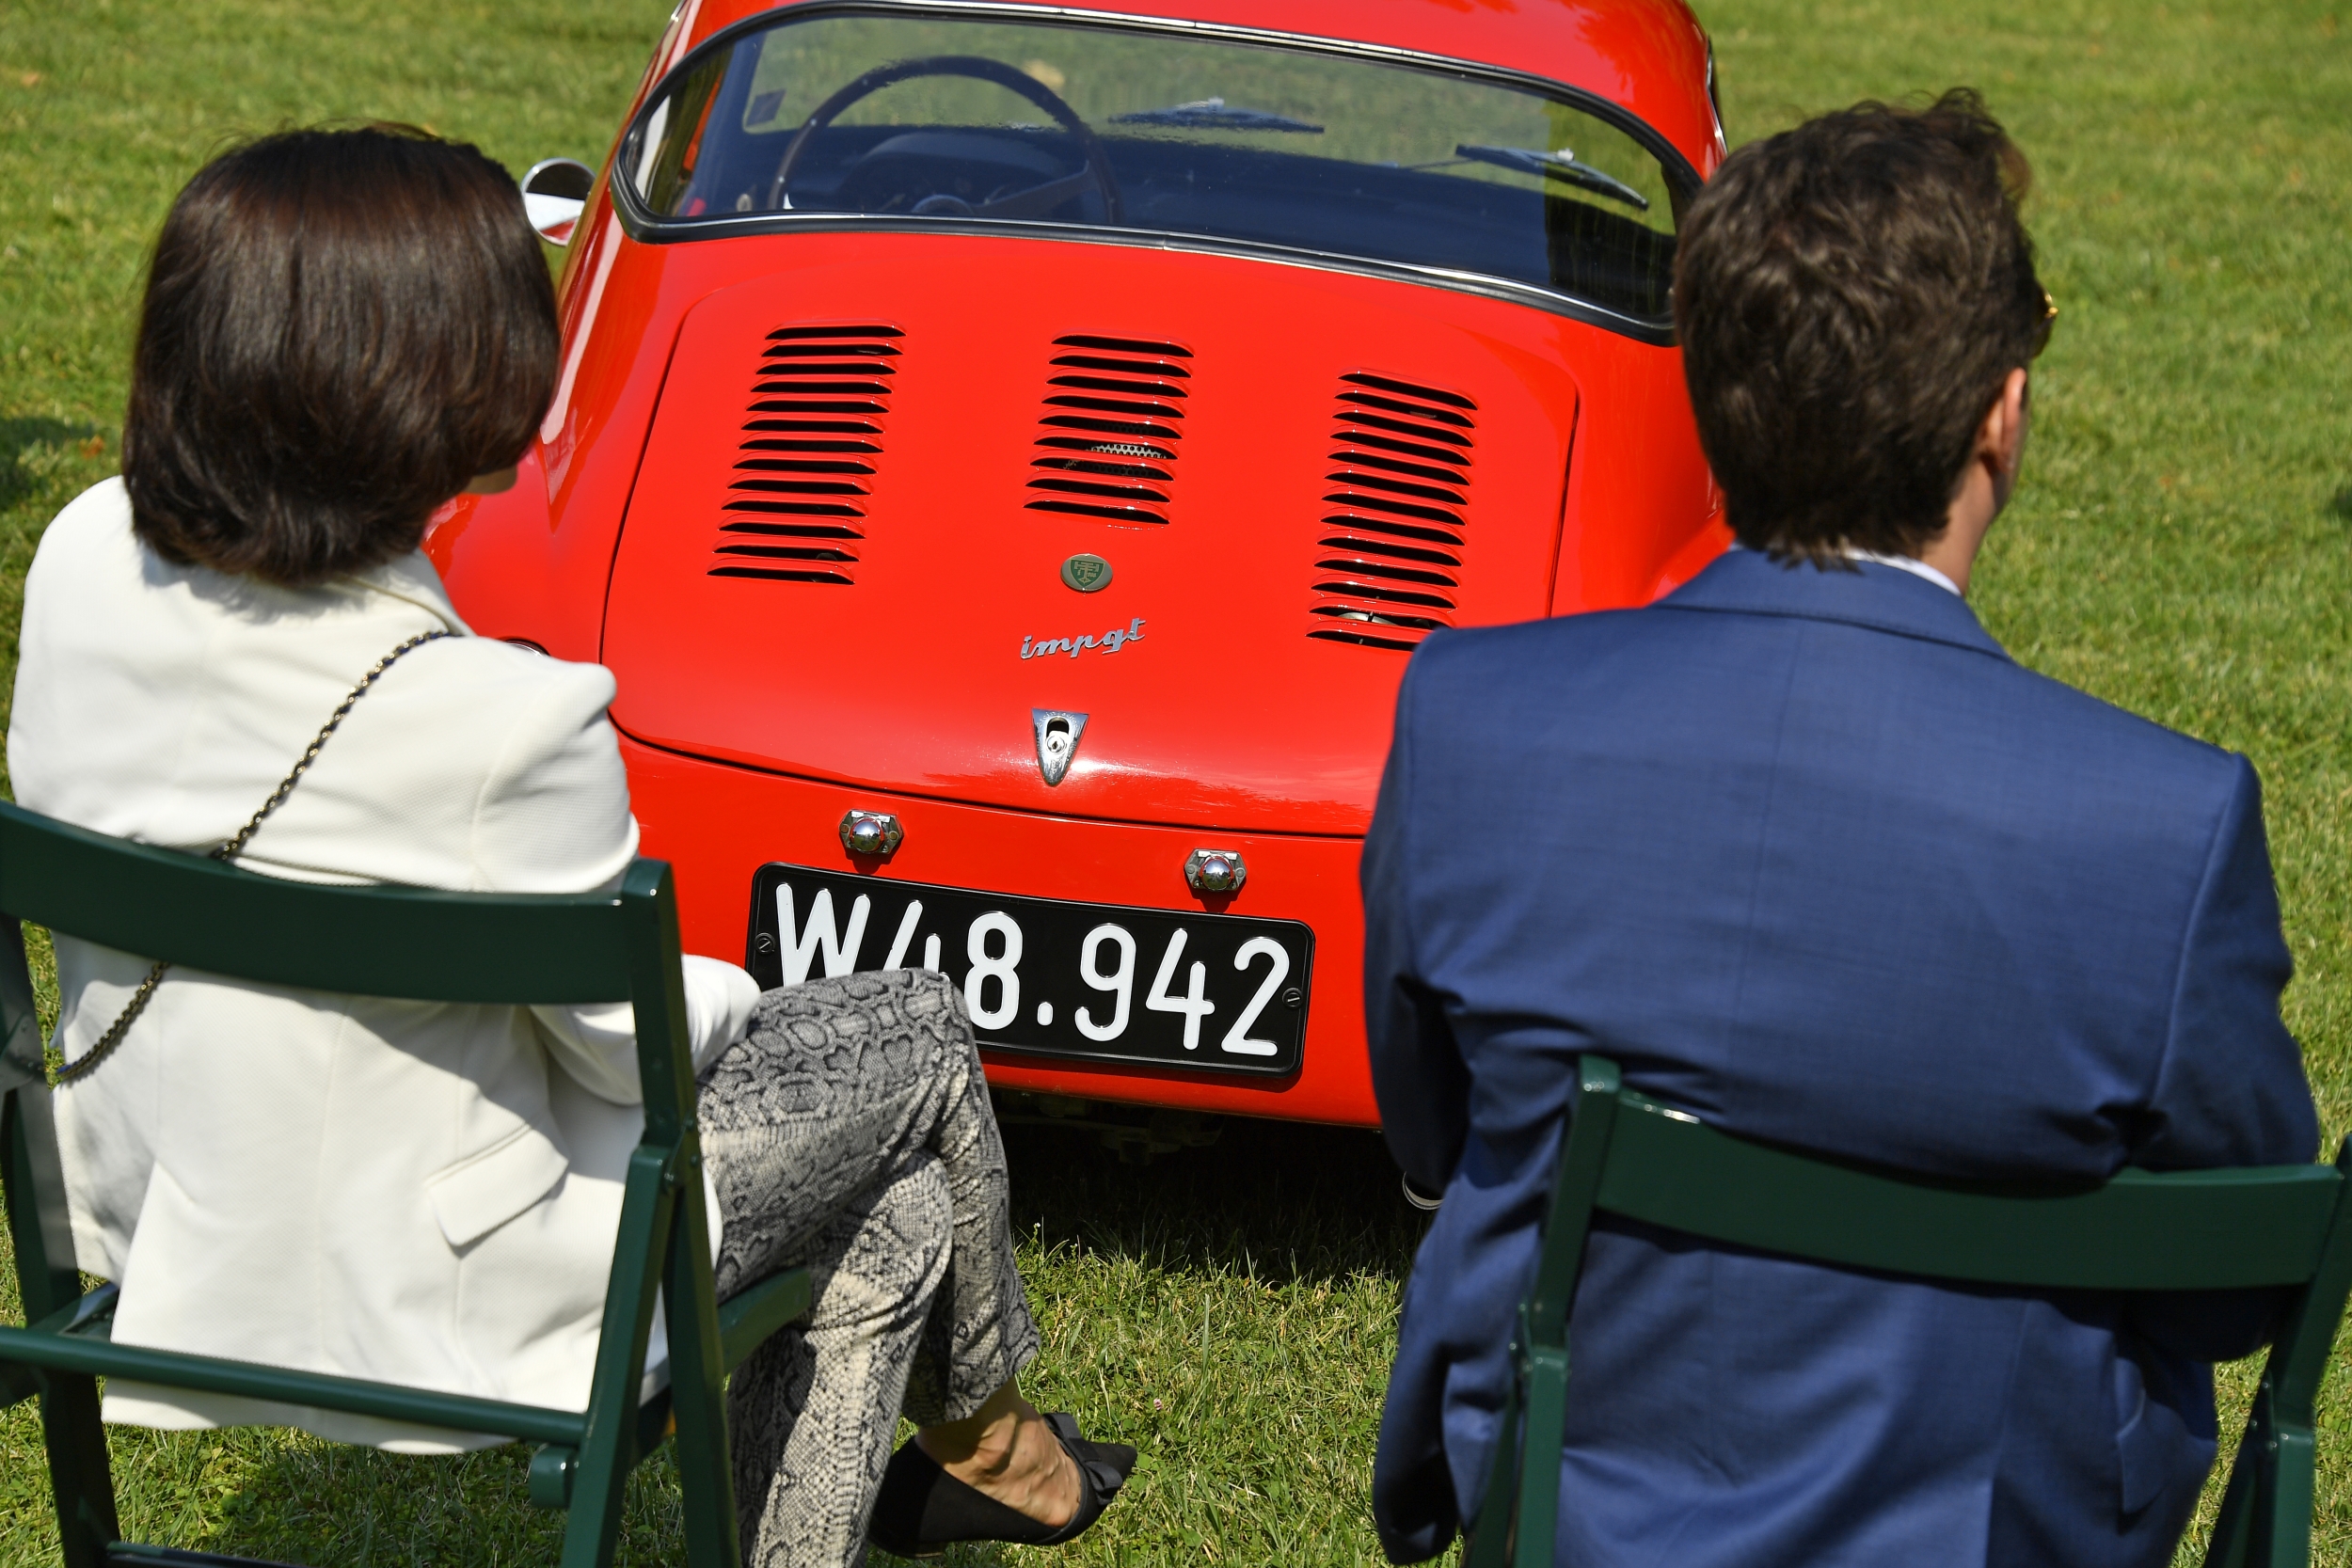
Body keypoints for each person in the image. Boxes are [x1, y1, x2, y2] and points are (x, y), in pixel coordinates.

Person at [6, 125, 1130, 1567]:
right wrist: (731, 987)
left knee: (899, 1206)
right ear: (448, 387)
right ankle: (990, 1438)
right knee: (914, 1031)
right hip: (437, 1298)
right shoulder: (507, 723)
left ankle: (994, 1456)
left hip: (158, 1213)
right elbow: (623, 1056)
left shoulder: (78, 561)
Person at [1361, 91, 2318, 1568]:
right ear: (2000, 417)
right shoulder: (2161, 834)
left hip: (1568, 1504)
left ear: (1708, 400)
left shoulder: (1478, 724)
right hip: (1996, 1529)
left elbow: (1437, 1124)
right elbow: (2236, 1274)